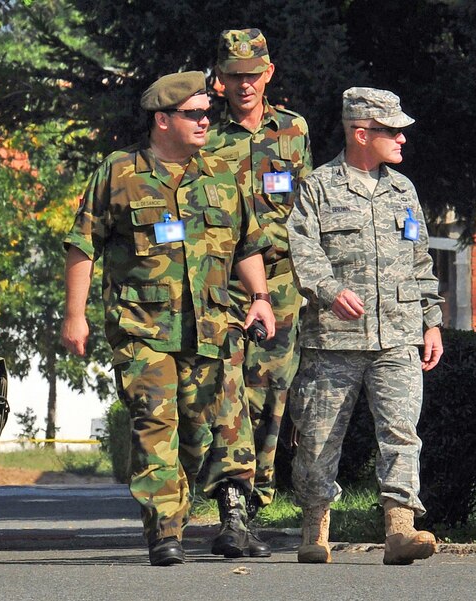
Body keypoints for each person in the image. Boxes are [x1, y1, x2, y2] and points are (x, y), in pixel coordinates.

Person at [61, 71, 275, 566]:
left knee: (209, 430)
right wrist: (75, 315)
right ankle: (165, 531)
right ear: (162, 120)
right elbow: (81, 245)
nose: (205, 121)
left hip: (213, 328)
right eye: (194, 114)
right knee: (155, 424)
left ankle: (211, 513)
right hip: (142, 328)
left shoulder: (222, 176)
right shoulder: (119, 173)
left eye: (207, 113)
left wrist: (260, 296)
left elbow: (246, 245)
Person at [286, 87, 444, 565]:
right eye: (391, 130)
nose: (401, 138)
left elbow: (420, 259)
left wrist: (431, 321)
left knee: (401, 433)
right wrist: (331, 291)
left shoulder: (404, 191)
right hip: (333, 340)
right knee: (317, 438)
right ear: (361, 133)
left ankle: (400, 528)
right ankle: (315, 527)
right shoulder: (318, 187)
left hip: (398, 334)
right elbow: (303, 251)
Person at [202, 28, 312, 558]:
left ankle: (256, 498)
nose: (243, 85)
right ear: (219, 78)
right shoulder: (202, 130)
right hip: (220, 283)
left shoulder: (293, 131)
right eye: (233, 75)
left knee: (272, 397)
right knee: (227, 393)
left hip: (283, 284)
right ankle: (232, 504)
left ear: (268, 73)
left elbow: (309, 212)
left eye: (252, 75)